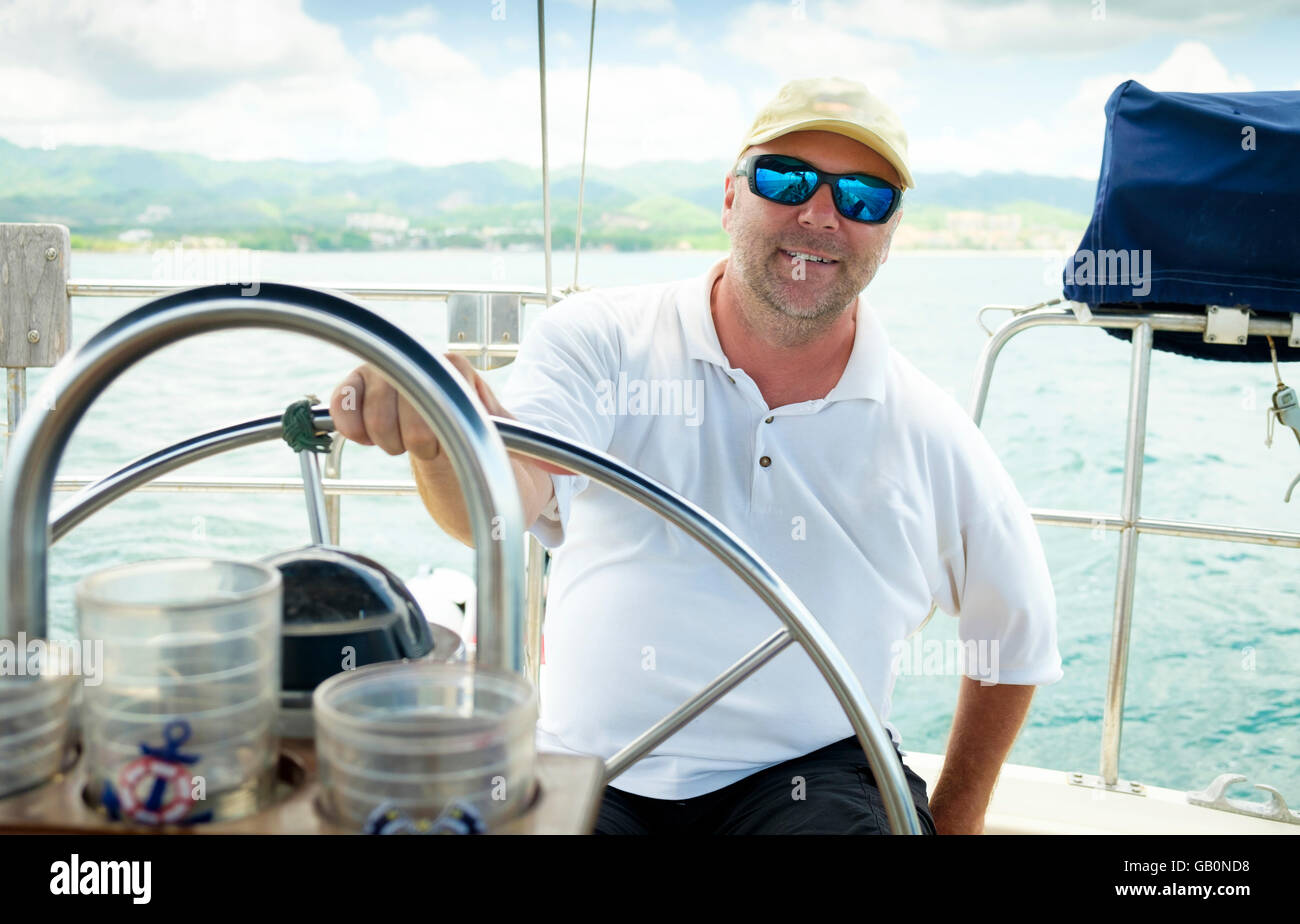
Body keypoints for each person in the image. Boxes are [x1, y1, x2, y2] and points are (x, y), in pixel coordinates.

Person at [329, 76, 1063, 835]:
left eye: (864, 197)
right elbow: (502, 500)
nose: (820, 215)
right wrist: (444, 431)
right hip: (594, 770)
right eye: (787, 178)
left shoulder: (929, 430)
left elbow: (1014, 631)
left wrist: (958, 821)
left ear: (889, 232)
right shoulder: (602, 340)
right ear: (730, 197)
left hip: (818, 774)